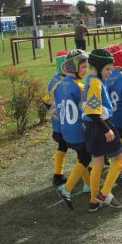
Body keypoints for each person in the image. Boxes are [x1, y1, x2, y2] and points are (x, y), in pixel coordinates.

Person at [82, 49, 122, 211]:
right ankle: (104, 193)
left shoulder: (91, 80)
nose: (110, 72)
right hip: (99, 125)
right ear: (98, 67)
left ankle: (94, 201)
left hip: (89, 127)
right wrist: (106, 130)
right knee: (121, 159)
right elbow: (93, 112)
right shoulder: (95, 84)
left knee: (98, 162)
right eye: (107, 69)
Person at [54, 50, 92, 210]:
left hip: (66, 130)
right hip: (78, 130)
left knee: (81, 156)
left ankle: (87, 185)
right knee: (86, 157)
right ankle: (67, 188)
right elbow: (86, 109)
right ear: (74, 67)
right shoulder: (80, 87)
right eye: (83, 67)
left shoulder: (58, 85)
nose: (86, 70)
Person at [42, 50, 69, 187]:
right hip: (68, 125)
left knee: (62, 146)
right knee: (83, 149)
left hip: (57, 126)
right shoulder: (65, 82)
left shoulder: (54, 79)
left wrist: (53, 113)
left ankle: (58, 175)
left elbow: (45, 101)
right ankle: (89, 174)